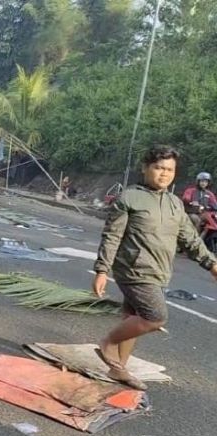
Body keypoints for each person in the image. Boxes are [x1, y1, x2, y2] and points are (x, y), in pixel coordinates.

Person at [93, 146, 217, 390]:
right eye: (159, 168)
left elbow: (190, 240)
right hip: (133, 270)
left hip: (159, 271)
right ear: (145, 168)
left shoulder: (174, 203)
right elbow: (112, 236)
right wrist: (102, 270)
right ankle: (108, 343)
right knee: (155, 316)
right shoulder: (129, 198)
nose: (164, 174)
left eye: (169, 169)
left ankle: (118, 368)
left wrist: (211, 264)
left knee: (133, 318)